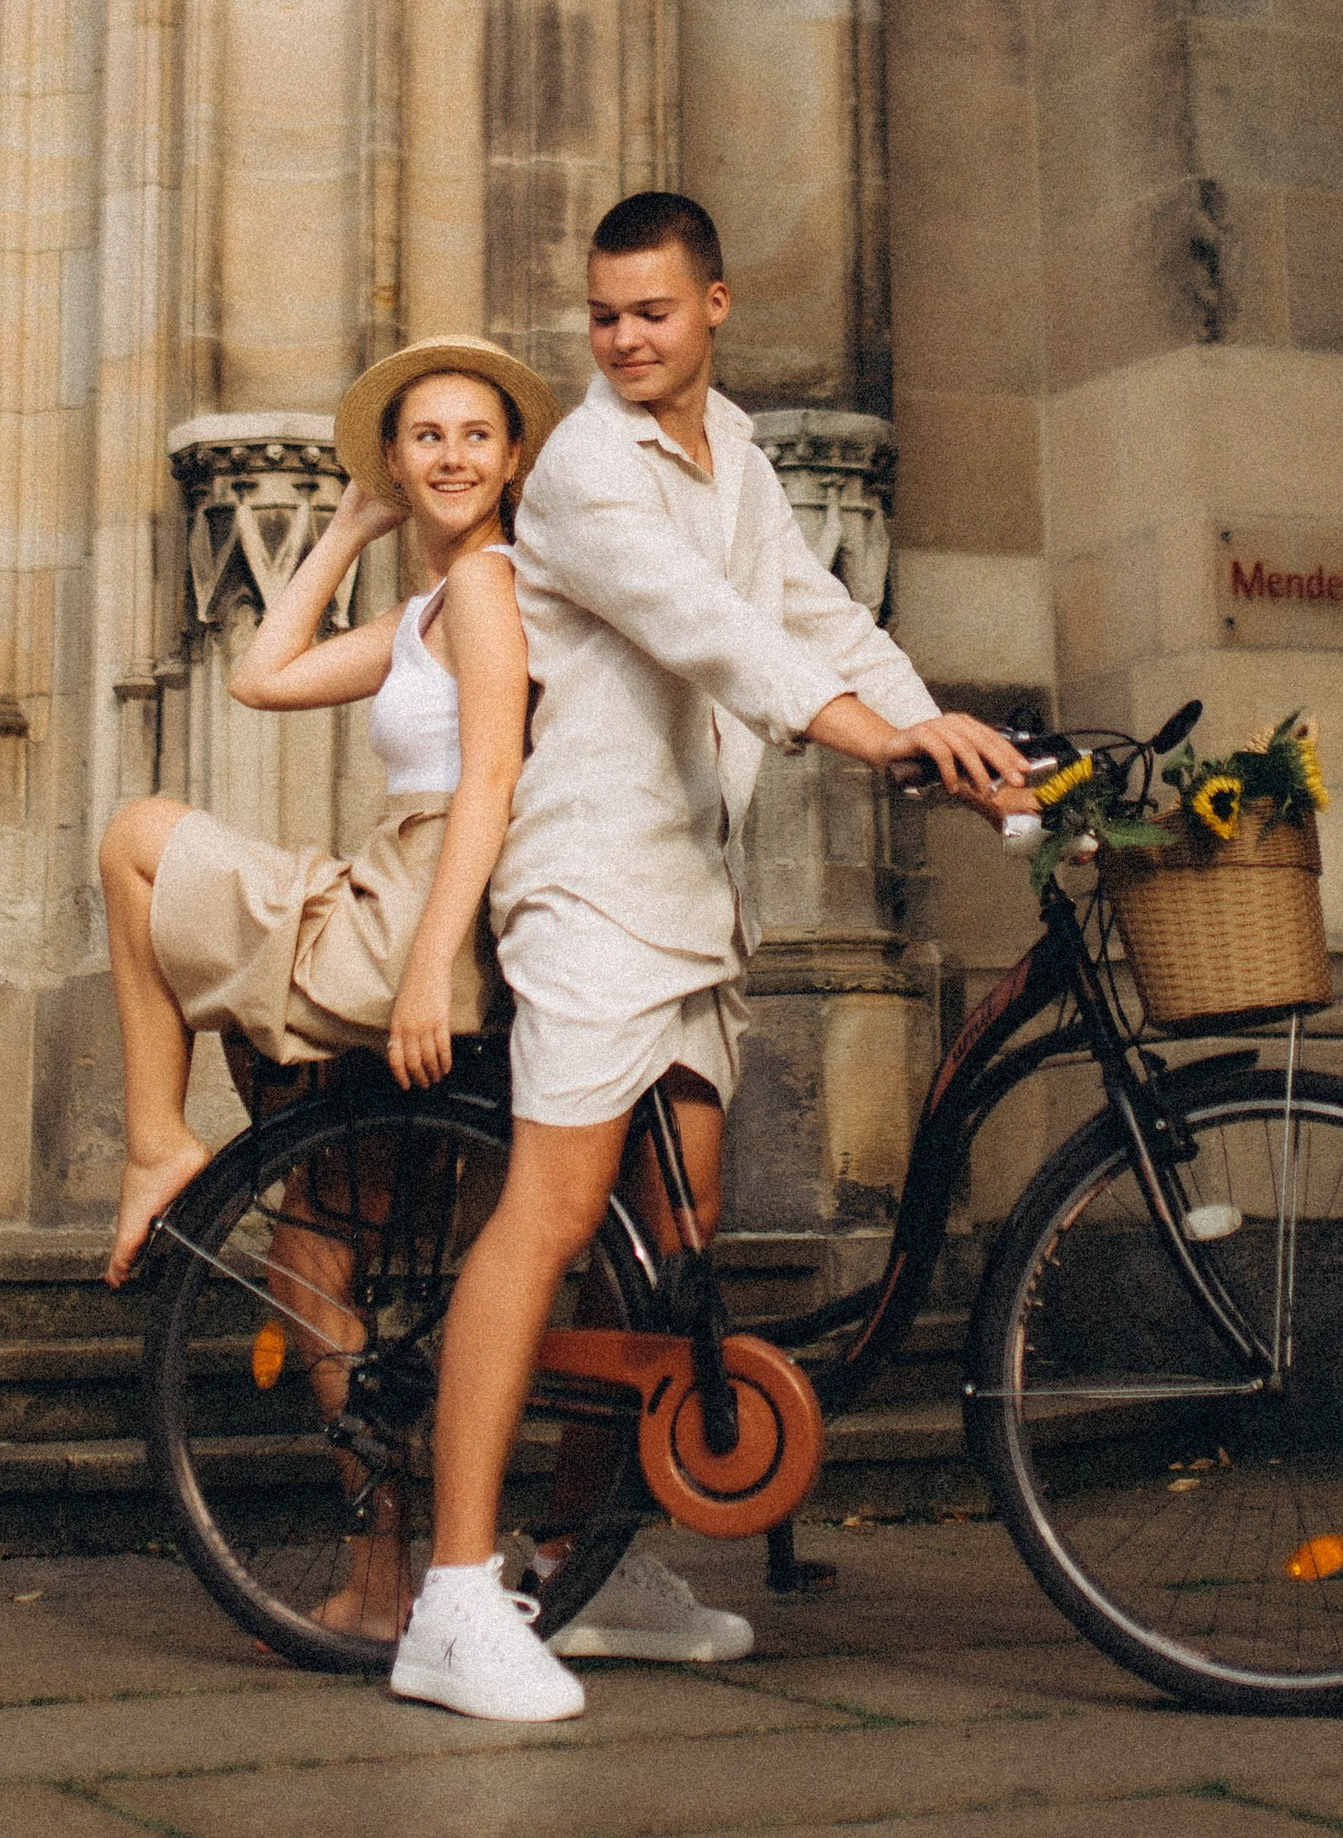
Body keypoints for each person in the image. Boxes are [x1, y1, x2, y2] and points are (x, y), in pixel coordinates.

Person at [388, 192, 1026, 1723]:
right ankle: (454, 1597)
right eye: (604, 313)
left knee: (674, 1243)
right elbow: (713, 636)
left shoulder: (732, 448)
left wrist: (952, 735)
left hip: (692, 894)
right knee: (550, 1216)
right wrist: (878, 742)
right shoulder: (583, 471)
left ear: (715, 305)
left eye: (653, 311)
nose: (623, 337)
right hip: (588, 883)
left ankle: (588, 1560)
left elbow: (816, 613)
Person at [96, 332, 555, 1288]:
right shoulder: (435, 607)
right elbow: (262, 678)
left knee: (137, 840)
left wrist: (428, 969)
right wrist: (347, 526)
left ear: (513, 457)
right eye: (426, 437)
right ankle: (176, 1160)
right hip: (400, 893)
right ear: (393, 461)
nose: (453, 457)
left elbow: (490, 778)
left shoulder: (485, 583)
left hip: (421, 921)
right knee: (309, 1256)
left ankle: (157, 1146)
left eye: (477, 435)